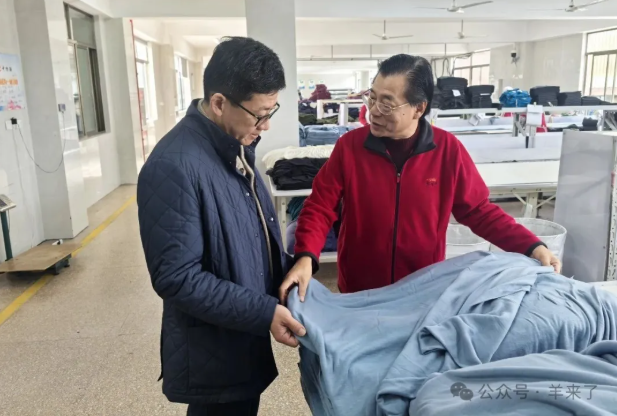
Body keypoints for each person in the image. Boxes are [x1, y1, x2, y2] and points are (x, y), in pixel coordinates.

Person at [280, 54, 560, 300]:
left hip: (422, 286)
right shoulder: (350, 147)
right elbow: (320, 206)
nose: (373, 111)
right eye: (372, 98)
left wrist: (531, 246)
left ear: (419, 108)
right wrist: (306, 256)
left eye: (387, 104)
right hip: (359, 286)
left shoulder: (447, 150)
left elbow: (478, 211)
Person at [137, 37, 306, 416]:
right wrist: (263, 311)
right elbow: (177, 278)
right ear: (218, 103)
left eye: (271, 112)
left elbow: (247, 234)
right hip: (213, 348)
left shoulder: (233, 146)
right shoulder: (173, 166)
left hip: (239, 330)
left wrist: (290, 267)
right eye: (259, 115)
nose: (265, 126)